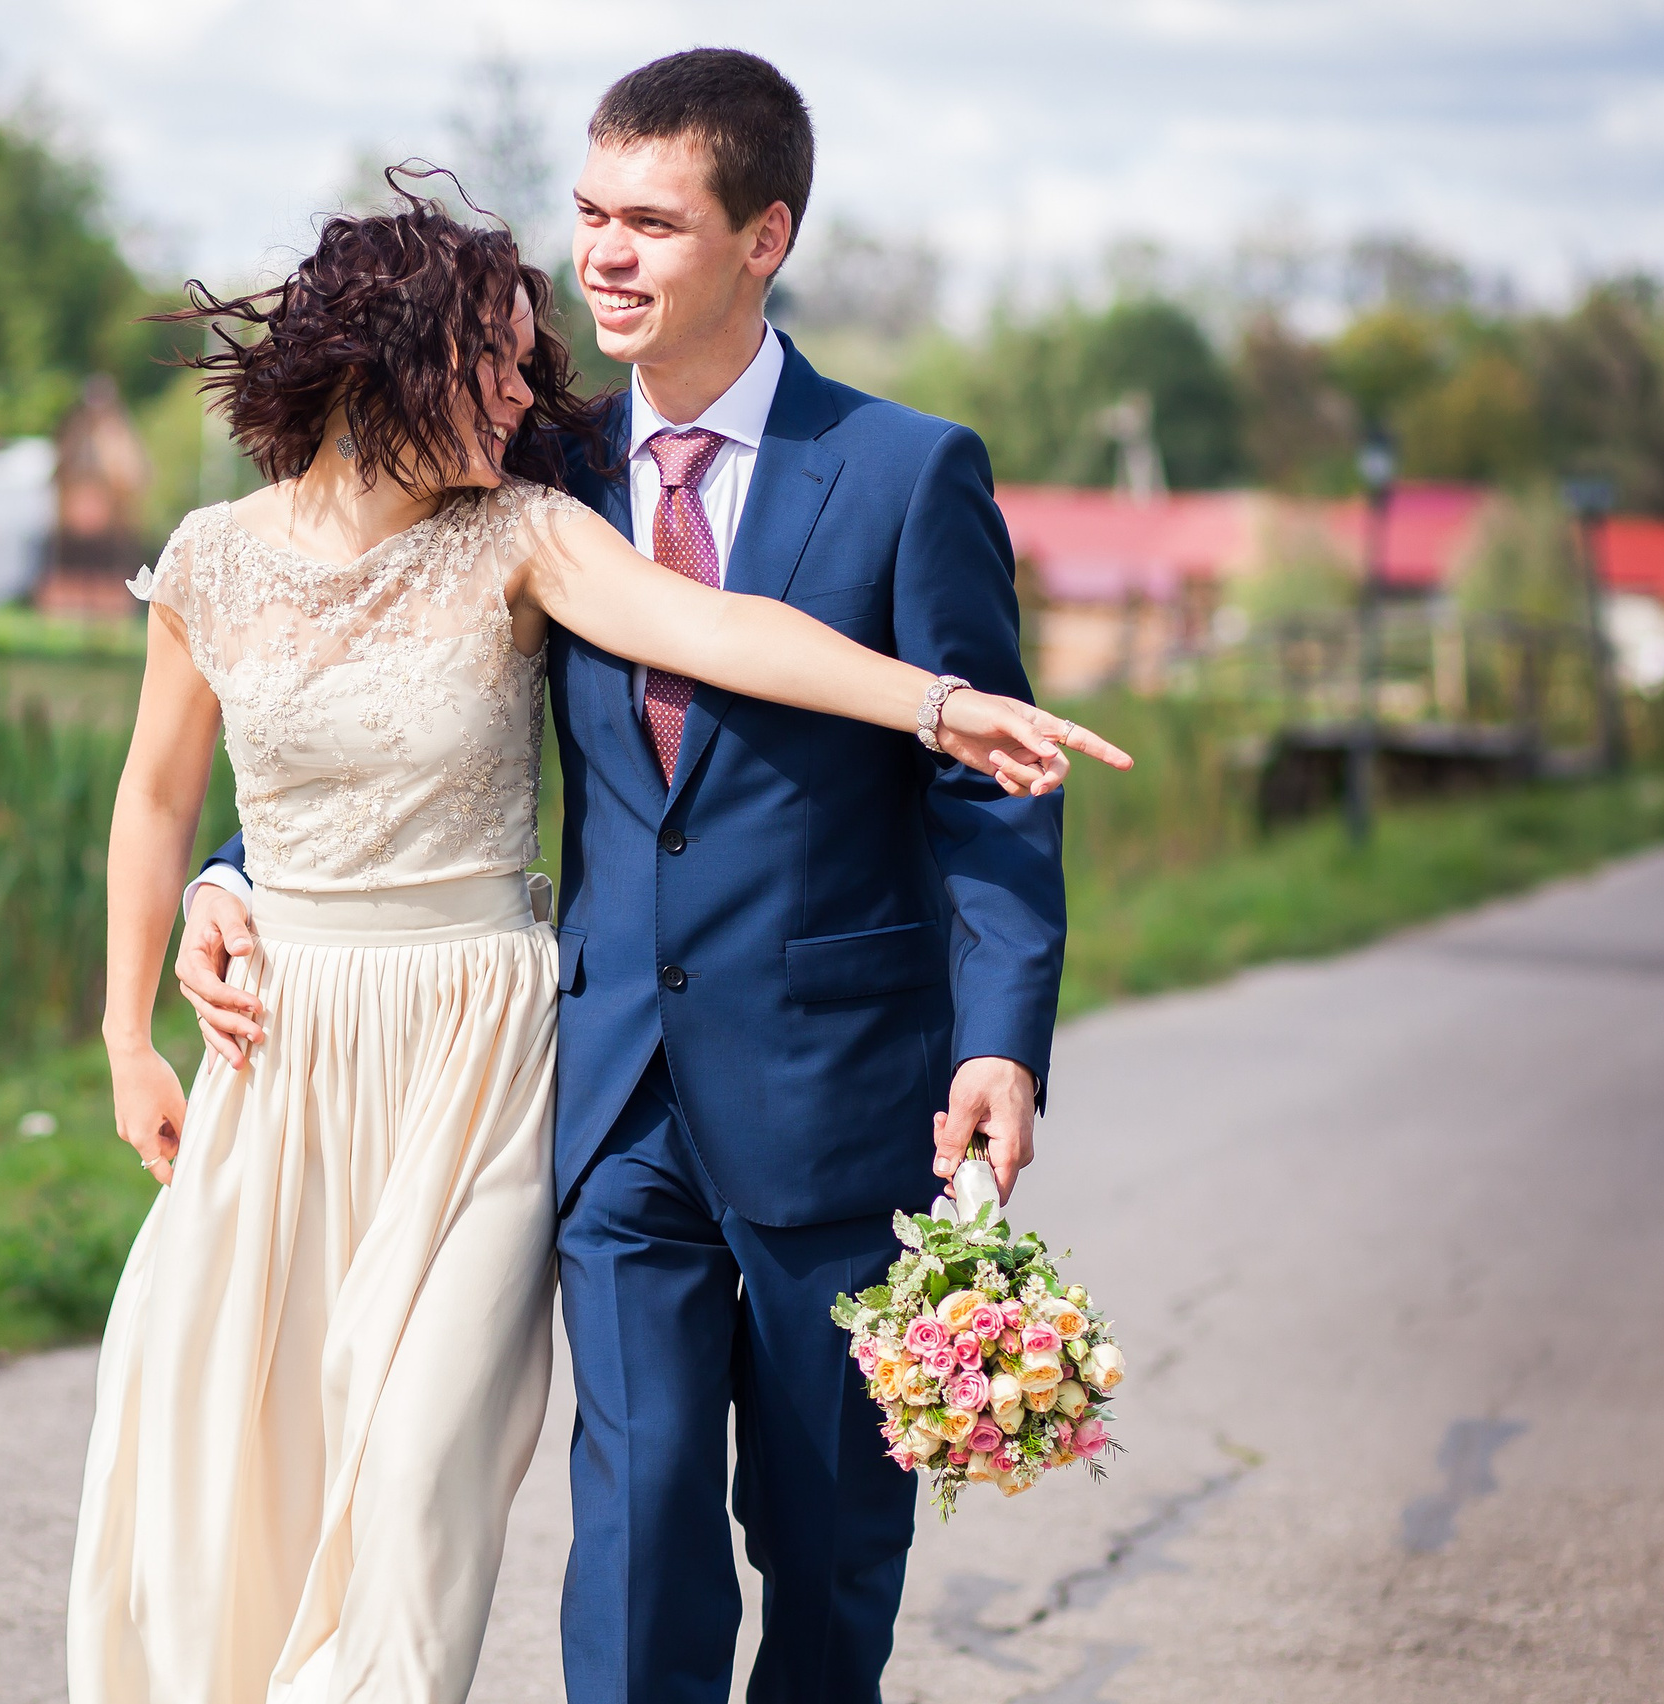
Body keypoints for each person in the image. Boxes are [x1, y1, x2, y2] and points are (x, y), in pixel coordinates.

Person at [76, 148, 1125, 1704]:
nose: (592, 283)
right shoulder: (504, 477)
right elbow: (242, 764)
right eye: (591, 223)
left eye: (650, 223)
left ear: (763, 236)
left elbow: (725, 633)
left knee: (798, 1526)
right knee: (593, 1522)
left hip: (699, 1065)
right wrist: (219, 908)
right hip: (524, 1072)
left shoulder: (799, 480)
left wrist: (945, 715)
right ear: (403, 357)